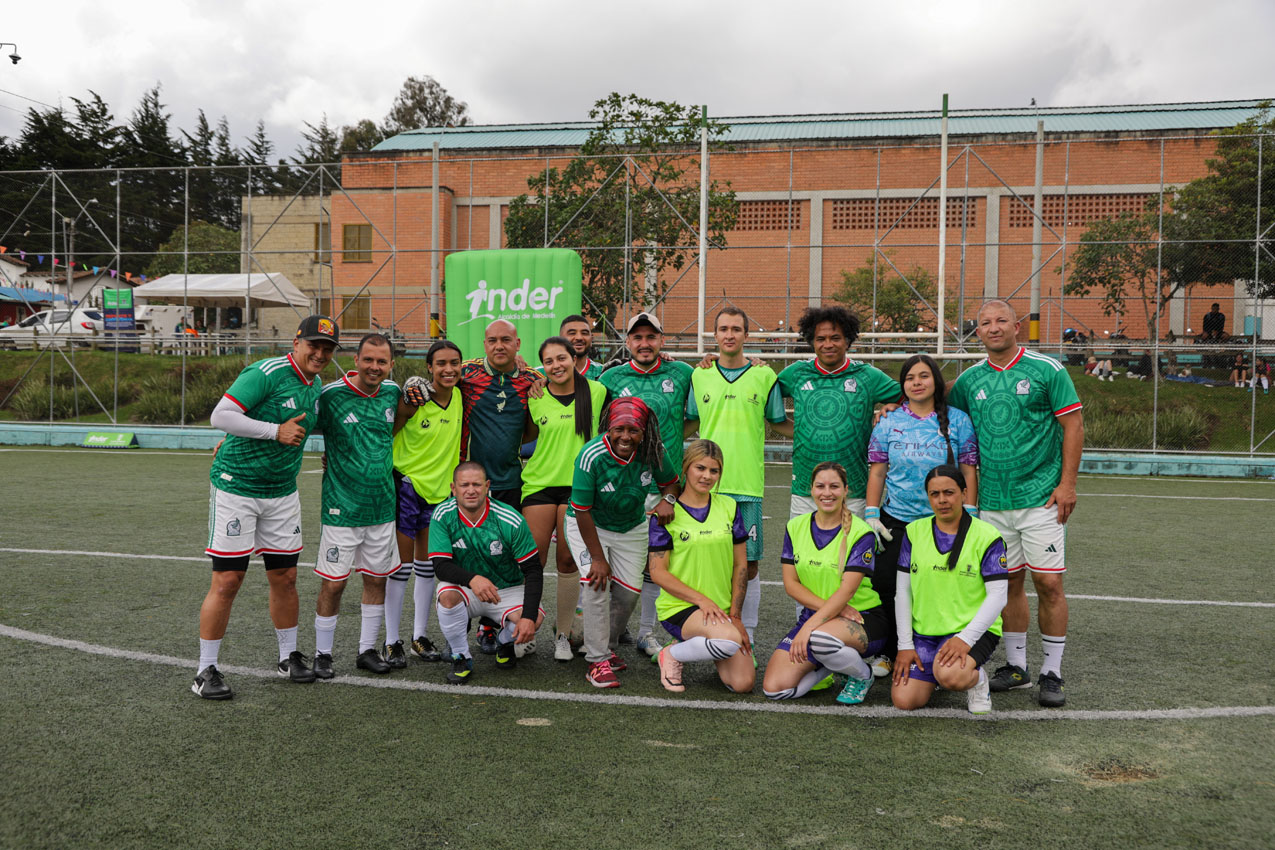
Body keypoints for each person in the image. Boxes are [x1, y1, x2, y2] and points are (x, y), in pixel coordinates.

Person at [192, 314, 337, 699]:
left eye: (327, 349)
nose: (320, 354)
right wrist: (275, 431)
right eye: (314, 345)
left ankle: (288, 656)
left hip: (282, 492)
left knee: (286, 577)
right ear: (296, 342)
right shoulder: (266, 372)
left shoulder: (316, 384)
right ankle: (205, 670)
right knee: (227, 580)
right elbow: (220, 415)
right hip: (237, 487)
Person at [949, 300, 1083, 707]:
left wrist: (1068, 484)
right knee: (1007, 585)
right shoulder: (968, 381)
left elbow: (1073, 425)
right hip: (991, 503)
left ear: (1017, 326)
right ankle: (1018, 667)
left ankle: (1052, 671)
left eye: (1000, 320)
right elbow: (944, 421)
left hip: (1041, 498)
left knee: (1050, 583)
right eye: (985, 323)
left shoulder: (1047, 369)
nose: (993, 328)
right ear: (978, 331)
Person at [865, 354, 978, 668]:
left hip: (943, 522)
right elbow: (877, 471)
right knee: (887, 584)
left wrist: (970, 510)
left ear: (936, 382)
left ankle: (935, 649)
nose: (917, 382)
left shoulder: (958, 420)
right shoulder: (889, 420)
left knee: (936, 587)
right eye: (910, 377)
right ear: (903, 384)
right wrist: (872, 513)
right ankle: (890, 651)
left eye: (924, 376)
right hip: (896, 520)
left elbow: (968, 470)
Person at [686, 306, 787, 644]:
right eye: (723, 329)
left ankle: (749, 634)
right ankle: (703, 630)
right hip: (707, 487)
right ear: (714, 335)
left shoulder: (765, 376)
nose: (730, 335)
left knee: (751, 565)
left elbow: (777, 422)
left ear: (746, 335)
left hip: (746, 487)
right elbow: (686, 421)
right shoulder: (698, 375)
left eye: (736, 329)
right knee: (706, 561)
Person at [599, 311, 696, 658]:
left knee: (658, 561)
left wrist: (662, 443)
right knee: (616, 557)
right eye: (637, 337)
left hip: (665, 485)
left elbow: (696, 415)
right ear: (628, 343)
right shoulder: (611, 376)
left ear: (662, 341)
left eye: (651, 337)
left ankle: (646, 632)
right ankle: (616, 627)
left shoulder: (683, 373)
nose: (644, 343)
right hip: (621, 483)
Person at [564, 397, 680, 687]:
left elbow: (671, 481)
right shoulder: (591, 455)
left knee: (628, 594)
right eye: (619, 429)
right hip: (590, 525)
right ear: (608, 427)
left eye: (633, 430)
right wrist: (599, 559)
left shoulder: (653, 449)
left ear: (643, 431)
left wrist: (668, 499)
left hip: (632, 525)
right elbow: (581, 509)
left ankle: (602, 644)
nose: (625, 437)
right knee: (596, 583)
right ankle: (596, 660)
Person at [310, 334, 402, 678]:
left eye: (381, 361)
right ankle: (323, 654)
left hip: (381, 509)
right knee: (334, 584)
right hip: (341, 508)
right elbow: (297, 421)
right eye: (368, 360)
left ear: (391, 364)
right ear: (355, 360)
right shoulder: (331, 396)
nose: (374, 367)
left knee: (376, 580)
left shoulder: (393, 393)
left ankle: (367, 650)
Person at [762, 462, 889, 705]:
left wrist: (809, 628)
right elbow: (791, 584)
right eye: (820, 486)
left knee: (820, 638)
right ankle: (832, 666)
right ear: (811, 490)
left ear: (845, 490)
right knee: (775, 689)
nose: (827, 493)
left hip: (861, 617)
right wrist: (812, 622)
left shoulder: (861, 533)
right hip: (820, 617)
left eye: (834, 486)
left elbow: (847, 591)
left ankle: (863, 674)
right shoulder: (795, 527)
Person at [891, 465, 1009, 714]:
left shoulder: (987, 536)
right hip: (925, 632)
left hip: (970, 629)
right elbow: (903, 592)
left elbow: (998, 596)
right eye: (934, 494)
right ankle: (935, 670)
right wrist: (904, 645)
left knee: (952, 676)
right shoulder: (914, 532)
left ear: (964, 494)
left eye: (949, 492)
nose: (942, 500)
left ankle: (977, 681)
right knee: (904, 700)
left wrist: (965, 639)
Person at [458, 319, 543, 654]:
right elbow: (437, 377)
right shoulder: (467, 373)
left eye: (506, 340)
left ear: (517, 343)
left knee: (505, 556)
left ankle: (498, 623)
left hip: (510, 482)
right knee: (472, 552)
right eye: (492, 340)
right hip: (472, 485)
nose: (499, 346)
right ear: (484, 343)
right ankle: (474, 616)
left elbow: (535, 425)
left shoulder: (533, 379)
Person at [522, 336, 607, 662]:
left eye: (562, 358)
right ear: (542, 366)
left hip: (579, 486)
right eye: (549, 361)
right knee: (533, 560)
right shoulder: (536, 395)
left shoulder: (597, 392)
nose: (556, 365)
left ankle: (563, 634)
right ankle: (524, 627)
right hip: (540, 485)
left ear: (574, 358)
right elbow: (529, 437)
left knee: (569, 561)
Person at [649, 440, 754, 695]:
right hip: (681, 608)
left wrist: (736, 617)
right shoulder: (665, 514)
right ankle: (672, 653)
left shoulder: (729, 507)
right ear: (686, 468)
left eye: (714, 471)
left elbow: (741, 565)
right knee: (728, 641)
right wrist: (703, 601)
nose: (707, 476)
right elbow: (657, 572)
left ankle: (701, 640)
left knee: (743, 684)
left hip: (721, 611)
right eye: (700, 468)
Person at [774, 305, 899, 519]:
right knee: (804, 551)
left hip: (853, 490)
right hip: (806, 490)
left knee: (850, 551)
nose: (828, 344)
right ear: (812, 342)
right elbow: (763, 394)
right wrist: (802, 432)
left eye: (835, 338)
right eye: (821, 339)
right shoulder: (796, 373)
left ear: (848, 341)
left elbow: (913, 397)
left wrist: (895, 407)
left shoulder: (867, 376)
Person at [384, 340, 464, 666]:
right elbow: (387, 429)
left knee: (428, 566)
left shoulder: (461, 395)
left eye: (454, 363)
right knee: (401, 568)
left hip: (440, 492)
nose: (448, 369)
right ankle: (391, 641)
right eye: (440, 364)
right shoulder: (414, 400)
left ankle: (419, 636)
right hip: (406, 487)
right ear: (428, 368)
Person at [429, 462, 545, 683]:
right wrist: (472, 579)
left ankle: (504, 641)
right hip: (467, 589)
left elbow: (533, 570)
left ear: (487, 486)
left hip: (506, 589)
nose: (470, 490)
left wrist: (528, 617)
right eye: (464, 485)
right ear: (454, 489)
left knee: (535, 618)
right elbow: (441, 566)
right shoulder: (442, 515)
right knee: (446, 596)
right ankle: (461, 656)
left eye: (476, 484)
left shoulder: (509, 518)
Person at [558, 314, 605, 379]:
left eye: (584, 333)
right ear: (560, 340)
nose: (579, 338)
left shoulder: (603, 373)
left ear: (591, 339)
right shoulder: (543, 374)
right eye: (572, 333)